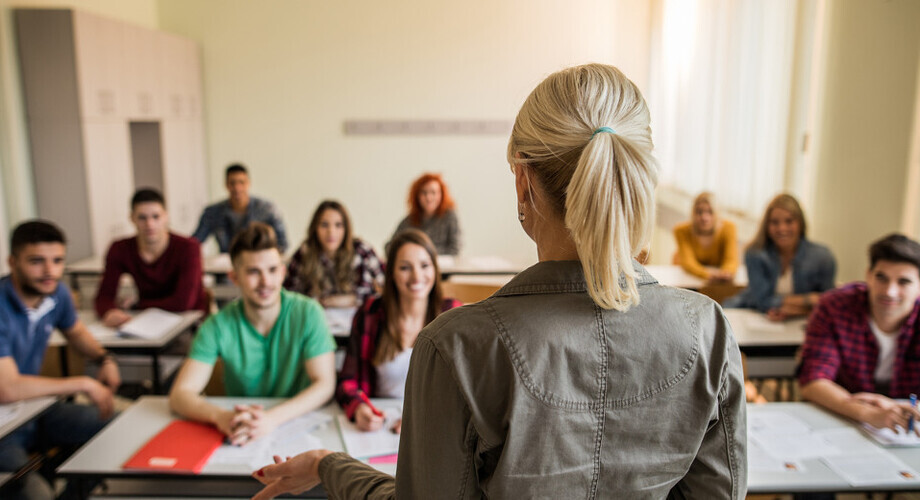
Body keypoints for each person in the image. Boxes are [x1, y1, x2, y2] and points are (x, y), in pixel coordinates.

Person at [252, 64, 746, 499]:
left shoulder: (456, 346)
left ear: (522, 182)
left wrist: (327, 465)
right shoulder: (708, 330)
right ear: (637, 175)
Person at [169, 222, 335, 446]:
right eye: (253, 272)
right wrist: (220, 416)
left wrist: (271, 419)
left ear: (283, 272)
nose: (266, 281)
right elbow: (180, 395)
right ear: (234, 278)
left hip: (296, 425)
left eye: (273, 270)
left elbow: (324, 384)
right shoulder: (218, 324)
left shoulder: (308, 312)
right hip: (241, 428)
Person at [0, 220, 121, 500]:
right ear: (12, 262)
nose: (49, 271)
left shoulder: (55, 293)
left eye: (57, 261)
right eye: (36, 261)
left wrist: (105, 358)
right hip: (4, 429)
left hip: (33, 411)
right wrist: (82, 384)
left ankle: (69, 491)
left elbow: (76, 332)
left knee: (116, 424)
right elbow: (7, 388)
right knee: (36, 494)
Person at [335, 229, 461, 433]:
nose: (416, 276)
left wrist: (424, 416)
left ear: (435, 270)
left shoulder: (454, 314)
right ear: (391, 272)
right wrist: (359, 407)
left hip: (435, 428)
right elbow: (347, 380)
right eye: (404, 267)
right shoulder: (370, 314)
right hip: (381, 426)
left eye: (424, 265)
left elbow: (467, 390)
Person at [799, 234, 920, 432]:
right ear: (868, 275)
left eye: (903, 282)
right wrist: (869, 414)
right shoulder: (834, 306)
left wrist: (889, 406)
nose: (890, 291)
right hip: (842, 424)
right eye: (881, 278)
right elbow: (813, 381)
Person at [94, 188, 209, 327]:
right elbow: (104, 296)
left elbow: (183, 302)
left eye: (156, 217)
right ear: (132, 218)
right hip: (146, 321)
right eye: (142, 218)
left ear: (166, 216)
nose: (150, 224)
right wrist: (110, 312)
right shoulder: (120, 249)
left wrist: (136, 305)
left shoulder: (189, 248)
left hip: (188, 321)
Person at [724, 194, 836, 321]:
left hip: (798, 323)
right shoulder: (754, 253)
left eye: (789, 221)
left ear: (800, 223)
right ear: (767, 225)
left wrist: (790, 310)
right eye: (774, 222)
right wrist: (808, 300)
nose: (782, 228)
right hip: (751, 313)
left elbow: (828, 304)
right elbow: (762, 301)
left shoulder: (823, 257)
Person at [283, 200, 384, 308]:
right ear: (315, 228)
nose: (331, 232)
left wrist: (346, 300)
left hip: (358, 317)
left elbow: (383, 287)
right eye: (324, 225)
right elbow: (290, 293)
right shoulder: (305, 252)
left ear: (346, 228)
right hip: (318, 317)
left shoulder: (362, 251)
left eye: (338, 225)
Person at [192, 164, 289, 253]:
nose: (237, 188)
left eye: (241, 182)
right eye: (232, 183)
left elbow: (283, 243)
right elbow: (195, 242)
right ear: (226, 185)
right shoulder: (212, 212)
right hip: (225, 267)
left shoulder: (266, 209)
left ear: (248, 183)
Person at [389, 172, 461, 256]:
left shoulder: (450, 217)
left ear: (441, 195)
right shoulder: (409, 221)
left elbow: (455, 248)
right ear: (417, 196)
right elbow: (390, 246)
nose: (428, 198)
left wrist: (423, 253)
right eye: (424, 193)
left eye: (433, 192)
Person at [673, 192, 739, 281]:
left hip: (715, 280)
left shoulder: (729, 228)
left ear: (717, 214)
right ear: (693, 213)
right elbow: (688, 262)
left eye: (710, 212)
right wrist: (707, 275)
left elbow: (731, 259)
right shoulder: (681, 231)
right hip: (688, 278)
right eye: (699, 212)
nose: (704, 217)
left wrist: (726, 273)